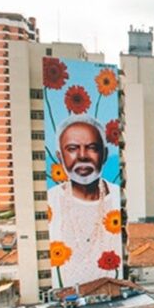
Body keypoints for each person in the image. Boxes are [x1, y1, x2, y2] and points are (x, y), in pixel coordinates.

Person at [48, 115, 123, 288]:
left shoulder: (118, 196)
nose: (82, 156)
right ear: (60, 157)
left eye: (91, 148)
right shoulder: (52, 201)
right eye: (73, 148)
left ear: (104, 155)